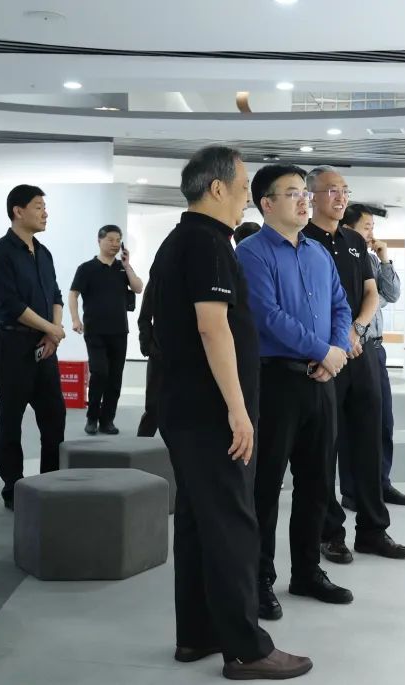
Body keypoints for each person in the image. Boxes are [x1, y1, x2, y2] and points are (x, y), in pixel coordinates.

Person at [150, 145, 311, 680]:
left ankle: (197, 633)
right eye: (243, 187)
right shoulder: (209, 243)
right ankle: (246, 648)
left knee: (200, 521)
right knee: (233, 525)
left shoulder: (181, 240)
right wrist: (238, 410)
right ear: (216, 188)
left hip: (185, 406)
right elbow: (212, 327)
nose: (246, 197)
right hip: (211, 411)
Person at [236, 164, 353, 622]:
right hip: (276, 383)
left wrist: (334, 351)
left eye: (305, 192)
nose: (305, 200)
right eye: (292, 193)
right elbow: (266, 316)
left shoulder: (318, 253)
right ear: (266, 204)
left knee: (318, 482)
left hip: (321, 382)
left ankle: (306, 571)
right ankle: (259, 580)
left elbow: (340, 306)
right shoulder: (252, 253)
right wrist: (324, 350)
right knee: (266, 487)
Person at [302, 165, 405, 565]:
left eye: (344, 190)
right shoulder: (302, 239)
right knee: (323, 449)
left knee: (368, 442)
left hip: (361, 354)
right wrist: (336, 340)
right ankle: (330, 533)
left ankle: (373, 530)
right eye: (332, 190)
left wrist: (357, 328)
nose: (340, 197)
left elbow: (371, 292)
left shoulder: (354, 241)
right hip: (325, 359)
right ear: (311, 196)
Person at [0, 185, 67, 510]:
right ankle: (13, 488)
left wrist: (52, 334)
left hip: (45, 346)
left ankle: (51, 482)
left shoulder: (44, 253)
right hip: (13, 344)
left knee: (54, 417)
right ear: (18, 211)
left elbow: (55, 295)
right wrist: (52, 330)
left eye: (45, 207)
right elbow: (11, 305)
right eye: (38, 207)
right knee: (10, 418)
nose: (45, 213)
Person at [340, 204, 405, 507]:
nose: (372, 232)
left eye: (372, 226)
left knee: (382, 421)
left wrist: (384, 258)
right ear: (348, 228)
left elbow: (391, 294)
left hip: (375, 348)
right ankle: (352, 491)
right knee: (351, 424)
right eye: (367, 227)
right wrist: (372, 300)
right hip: (352, 348)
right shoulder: (339, 257)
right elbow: (360, 300)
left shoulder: (370, 258)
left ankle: (381, 483)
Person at [69, 225, 144, 435]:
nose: (115, 244)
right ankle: (92, 417)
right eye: (110, 239)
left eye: (118, 240)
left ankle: (107, 420)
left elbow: (138, 287)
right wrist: (75, 319)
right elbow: (73, 294)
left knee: (115, 378)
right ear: (99, 241)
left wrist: (127, 265)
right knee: (100, 372)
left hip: (119, 331)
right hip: (95, 330)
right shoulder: (87, 268)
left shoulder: (122, 268)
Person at [136, 276, 160, 437]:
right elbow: (144, 317)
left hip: (190, 354)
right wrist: (148, 346)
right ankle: (142, 445)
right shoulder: (159, 276)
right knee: (153, 407)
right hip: (159, 353)